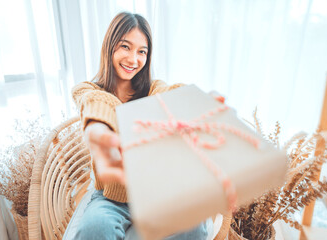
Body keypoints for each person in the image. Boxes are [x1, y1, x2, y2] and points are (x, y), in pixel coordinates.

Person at [72, 12, 220, 240]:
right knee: (94, 228)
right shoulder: (88, 90)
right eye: (125, 47)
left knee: (194, 224)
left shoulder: (153, 89)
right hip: (111, 196)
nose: (133, 59)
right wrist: (100, 127)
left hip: (159, 192)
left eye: (142, 51)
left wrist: (194, 100)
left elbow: (169, 94)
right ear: (109, 46)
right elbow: (98, 104)